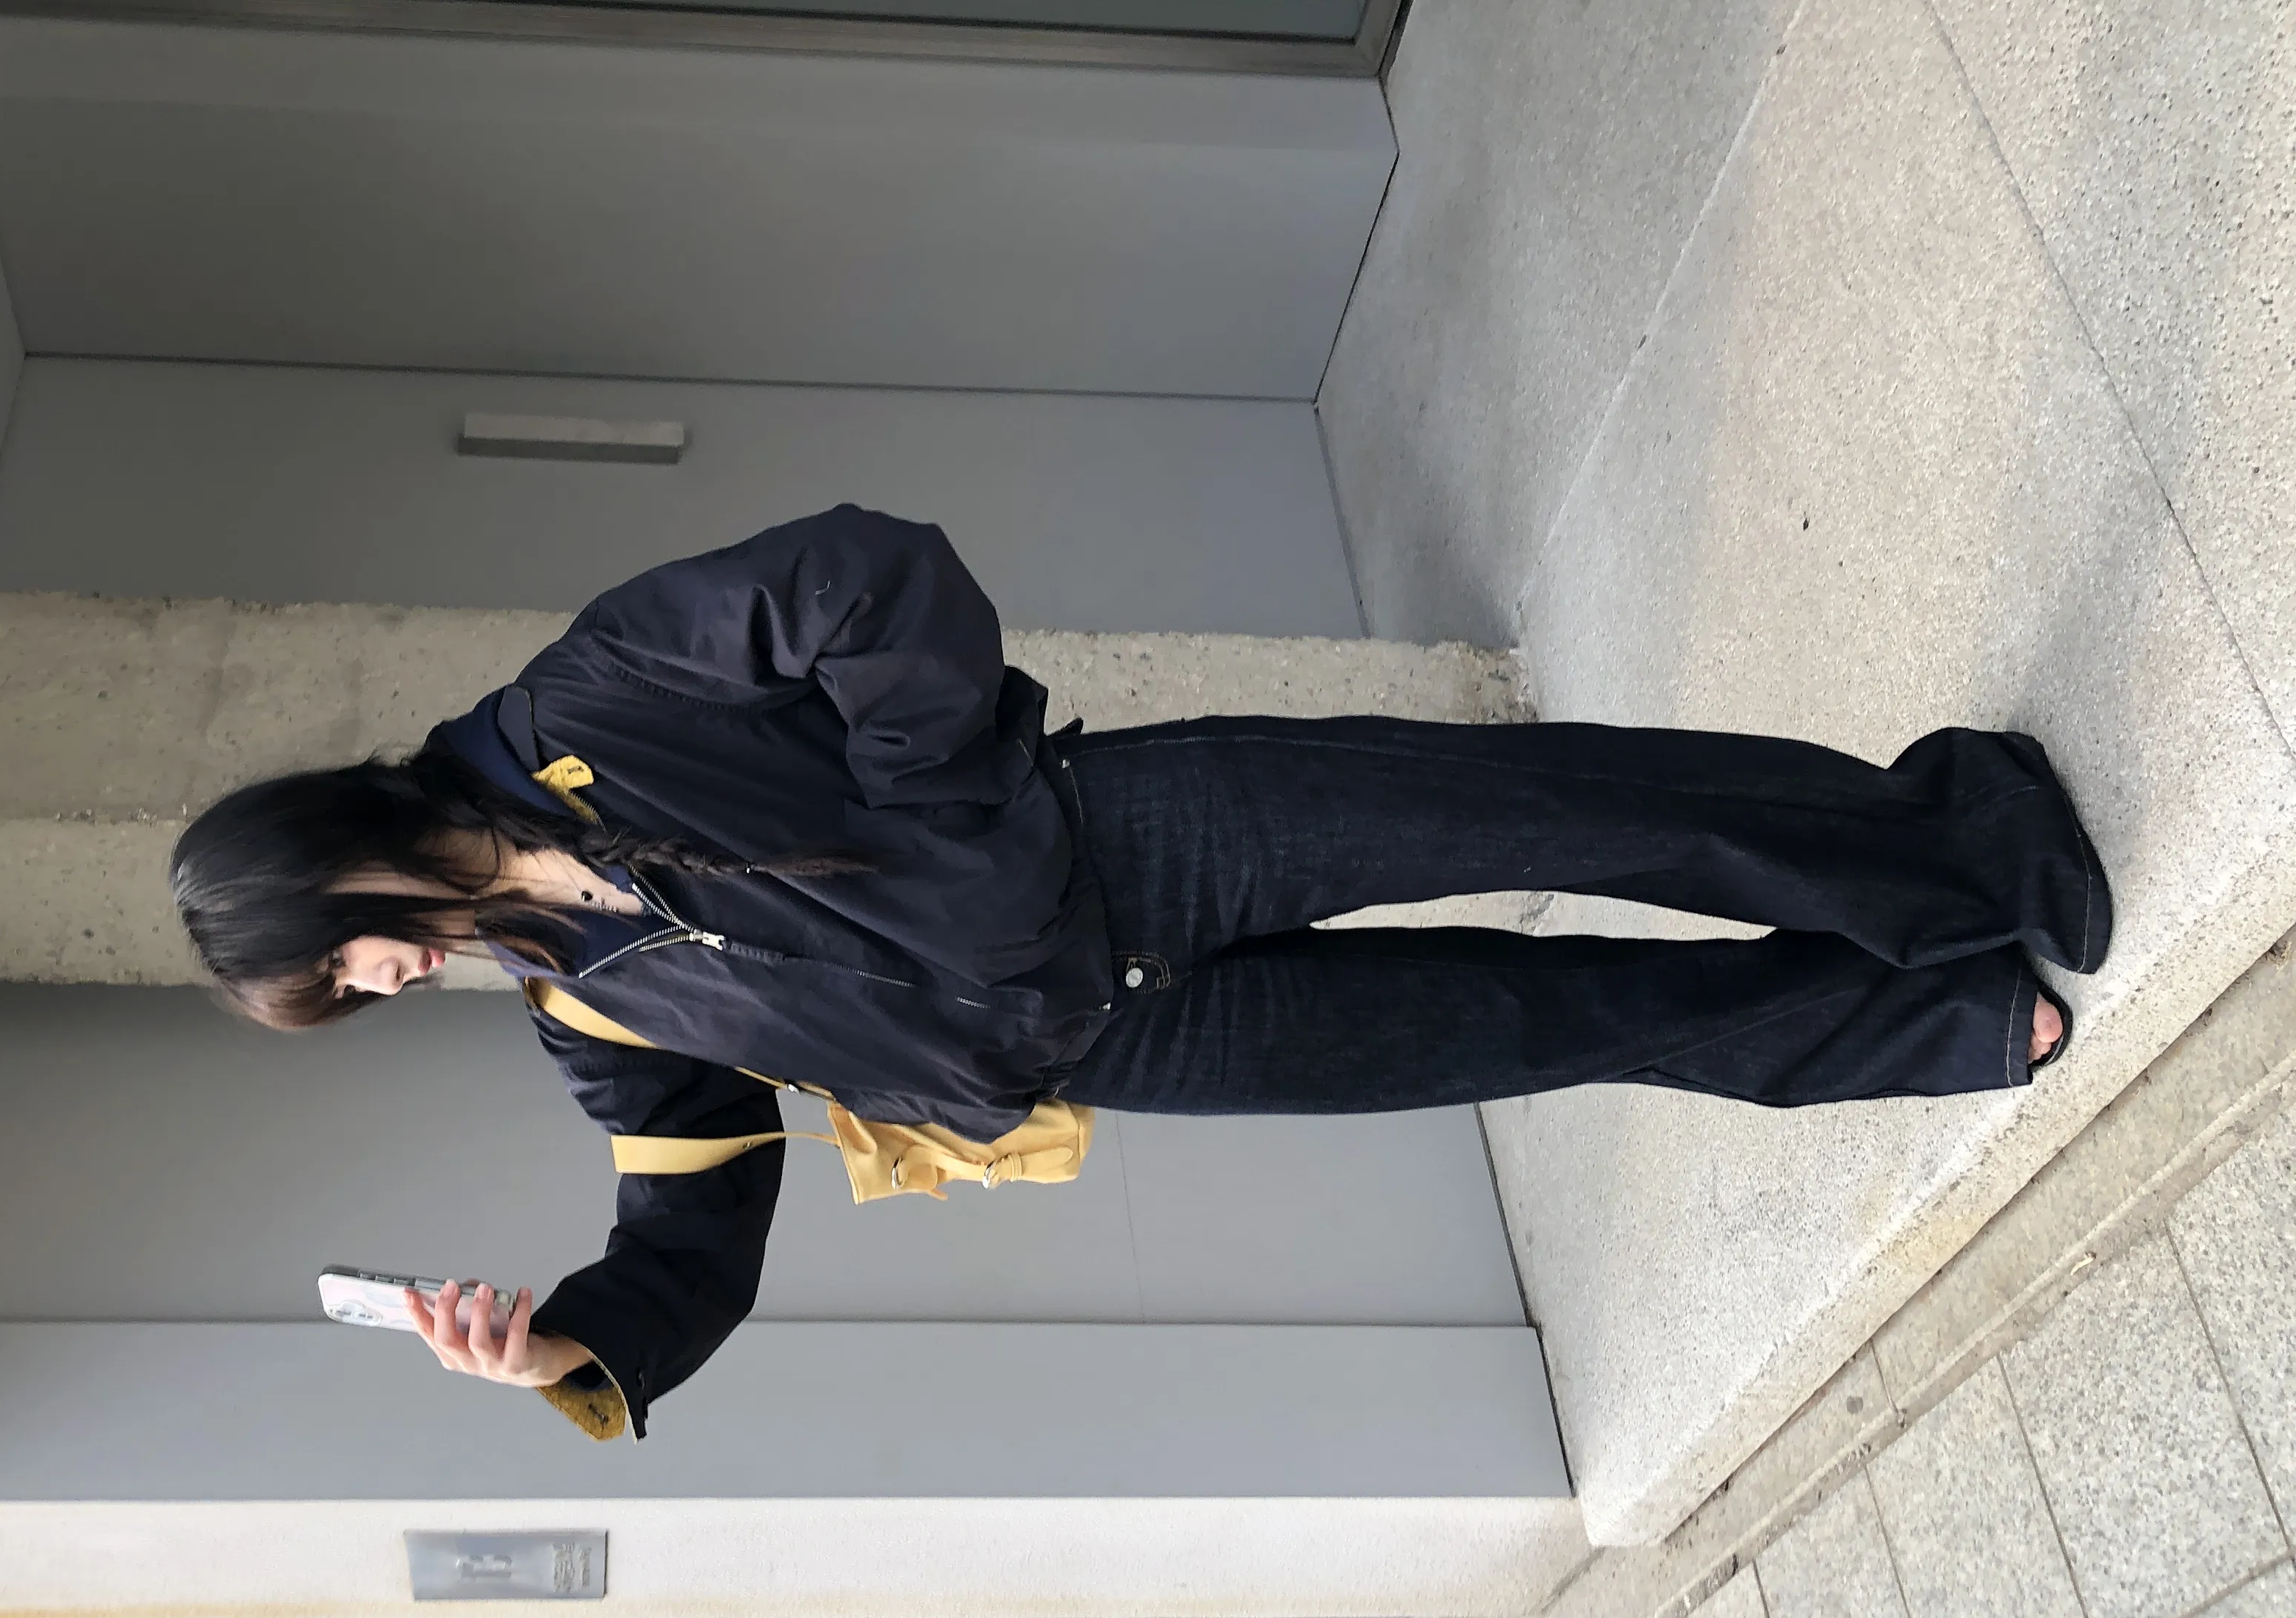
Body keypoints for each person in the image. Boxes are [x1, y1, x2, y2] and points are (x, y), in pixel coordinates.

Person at [171, 506, 2105, 1439]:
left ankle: (1971, 845)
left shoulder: (581, 708)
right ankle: (1938, 1014)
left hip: (1145, 837)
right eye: (346, 1000)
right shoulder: (583, 1006)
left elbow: (862, 579)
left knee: (1581, 814)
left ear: (334, 865)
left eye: (342, 965)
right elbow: (692, 1211)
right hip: (1142, 1043)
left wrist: (959, 832)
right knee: (1547, 1023)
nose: (379, 988)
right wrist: (568, 1347)